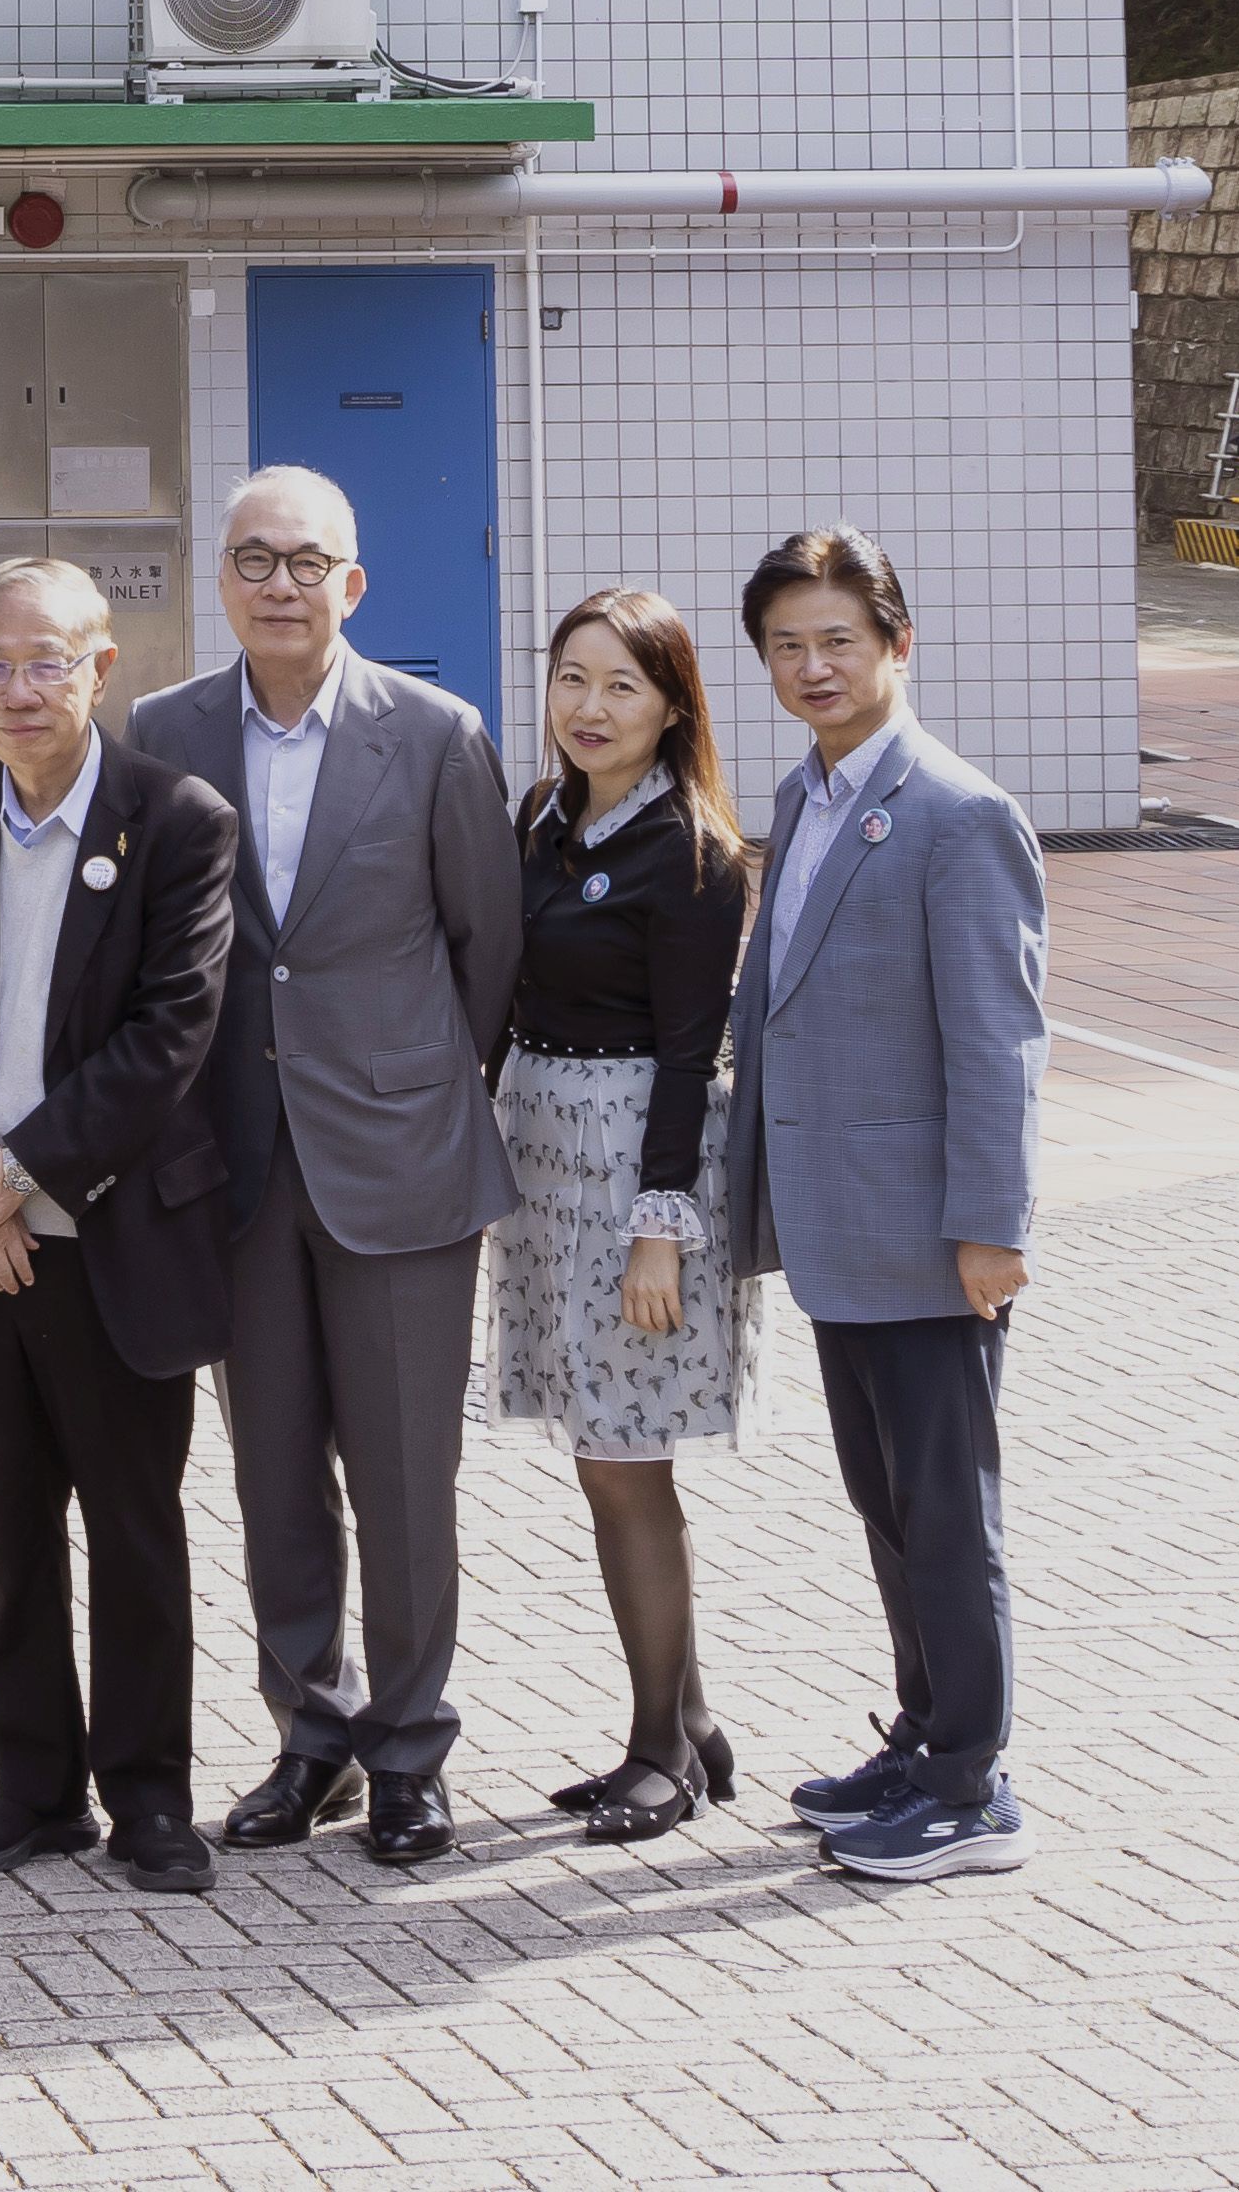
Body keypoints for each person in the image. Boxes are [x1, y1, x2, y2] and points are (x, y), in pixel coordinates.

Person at [128, 461, 520, 1865]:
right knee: (275, 1471)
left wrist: (407, 1081)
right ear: (219, 578)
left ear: (354, 585)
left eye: (308, 563)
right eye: (254, 560)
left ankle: (412, 1750)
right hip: (235, 1164)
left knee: (408, 1477)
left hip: (400, 1153)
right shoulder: (165, 732)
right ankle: (314, 1732)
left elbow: (487, 953)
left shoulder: (433, 733)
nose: (280, 585)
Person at [0, 560, 242, 1898]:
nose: (19, 691)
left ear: (103, 668)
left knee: (135, 1525)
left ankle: (149, 1796)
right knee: (10, 1519)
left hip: (111, 1231)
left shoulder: (177, 819)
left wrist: (20, 1178)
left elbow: (170, 1039)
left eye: (48, 663)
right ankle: (34, 1784)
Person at [723, 524, 1050, 1885]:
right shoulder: (807, 798)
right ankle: (920, 1739)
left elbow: (997, 1041)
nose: (814, 667)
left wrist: (993, 1226)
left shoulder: (958, 815)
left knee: (946, 1511)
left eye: (838, 643)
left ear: (897, 645)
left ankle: (972, 1785)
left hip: (927, 1235)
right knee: (888, 1500)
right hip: (841, 1226)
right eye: (788, 647)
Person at [490, 584, 760, 1842]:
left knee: (623, 1460)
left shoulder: (693, 851)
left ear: (670, 708)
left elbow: (689, 1048)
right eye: (570, 678)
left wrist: (661, 1222)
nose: (588, 708)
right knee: (597, 1449)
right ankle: (690, 1724)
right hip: (541, 1155)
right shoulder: (539, 814)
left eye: (621, 687)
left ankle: (655, 1745)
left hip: (630, 1167)